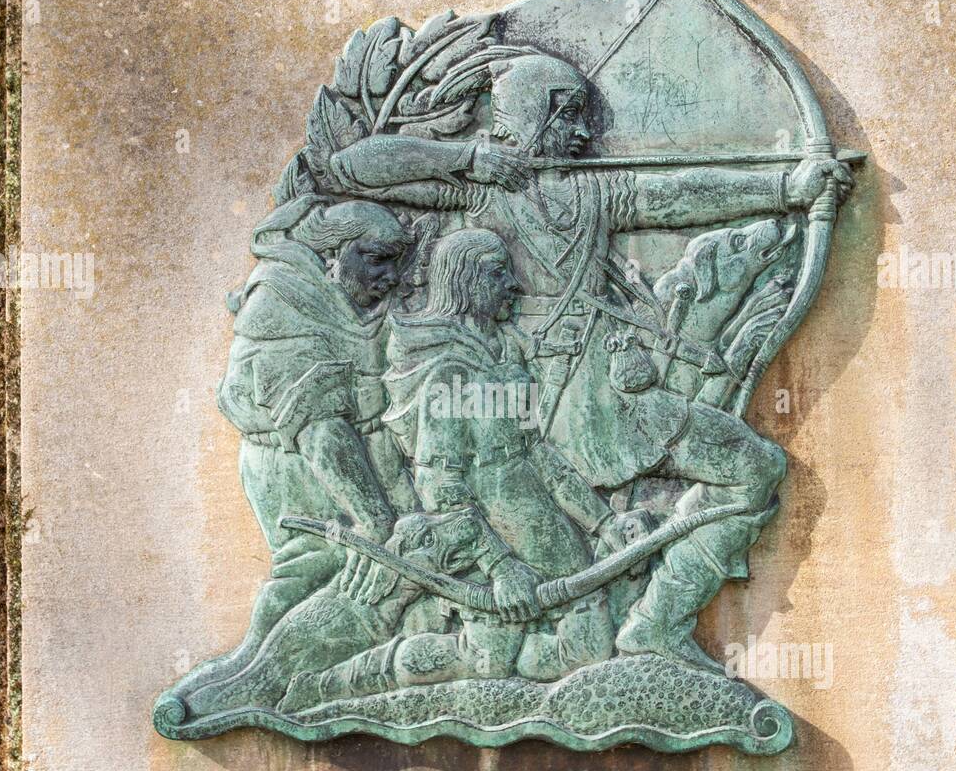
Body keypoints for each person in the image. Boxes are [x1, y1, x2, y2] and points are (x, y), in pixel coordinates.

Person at [324, 50, 832, 667]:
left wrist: (785, 188)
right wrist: (469, 159)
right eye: (568, 116)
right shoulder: (475, 190)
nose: (585, 132)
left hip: (609, 393)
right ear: (531, 117)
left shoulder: (595, 191)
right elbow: (351, 167)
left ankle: (654, 625)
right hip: (524, 407)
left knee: (754, 469)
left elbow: (674, 198)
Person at [280, 229, 638, 710]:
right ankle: (332, 688)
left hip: (542, 522)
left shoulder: (507, 354)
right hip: (484, 533)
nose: (513, 283)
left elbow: (540, 454)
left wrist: (604, 521)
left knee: (584, 652)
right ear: (467, 281)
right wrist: (499, 564)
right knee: (490, 658)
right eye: (499, 272)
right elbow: (439, 482)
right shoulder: (447, 370)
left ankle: (508, 697)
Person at [161, 197, 415, 721]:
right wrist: (374, 521)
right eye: (376, 260)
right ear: (335, 255)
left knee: (310, 575)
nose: (389, 277)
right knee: (327, 571)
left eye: (395, 263)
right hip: (306, 464)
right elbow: (318, 425)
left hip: (345, 452)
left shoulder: (339, 299)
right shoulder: (282, 300)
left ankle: (246, 672)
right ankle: (255, 683)